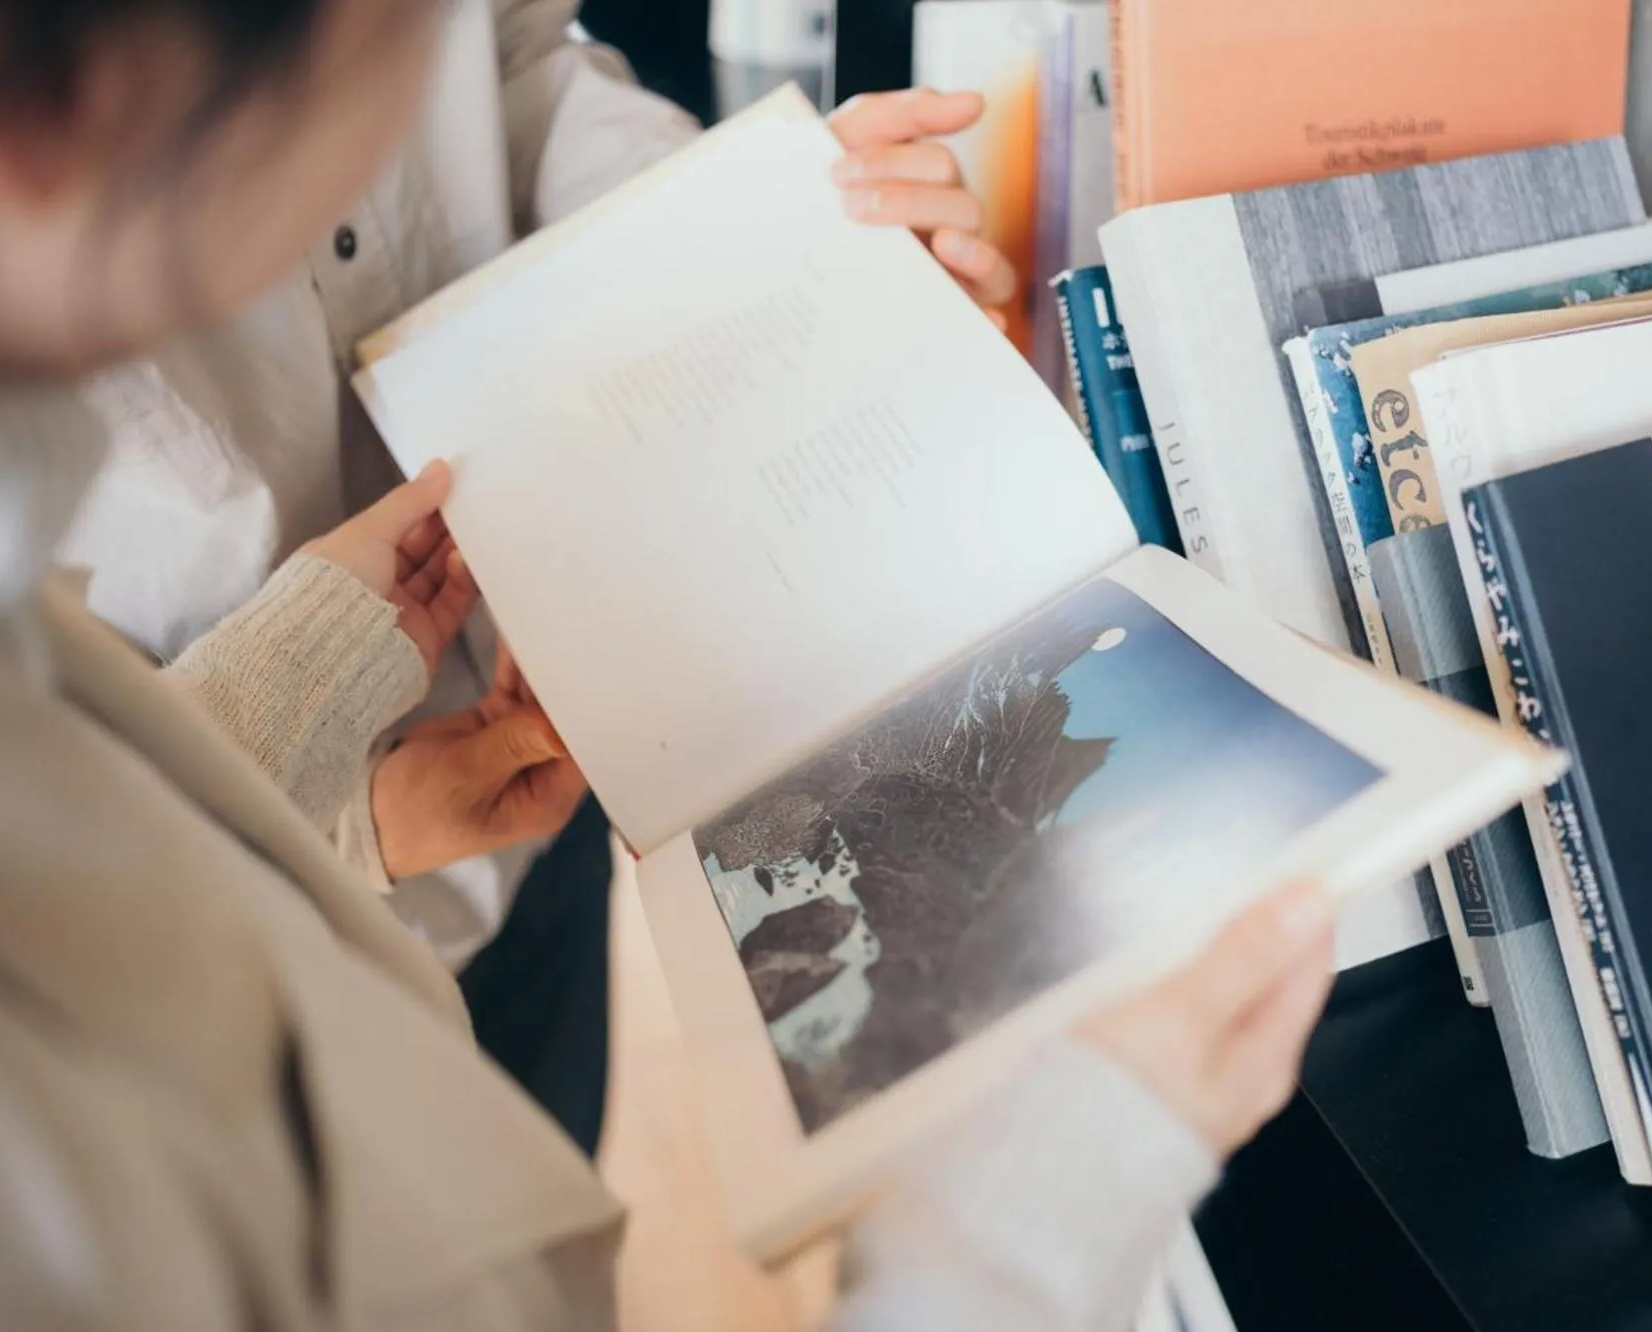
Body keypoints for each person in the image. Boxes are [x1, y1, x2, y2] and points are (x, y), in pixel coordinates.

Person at [0, 0, 1342, 1327]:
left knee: (545, 1108)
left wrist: (751, 233)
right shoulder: (58, 1156)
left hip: (508, 783)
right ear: (46, 99)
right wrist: (1030, 1234)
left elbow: (509, 53)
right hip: (338, 901)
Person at [51, 0, 1019, 1153]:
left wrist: (751, 227)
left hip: (537, 767)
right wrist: (335, 819)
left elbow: (513, 55)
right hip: (206, 981)